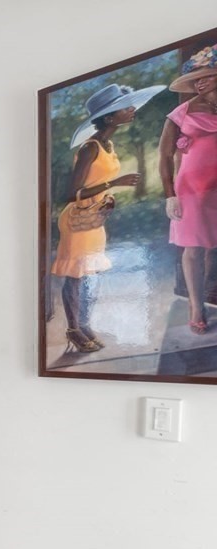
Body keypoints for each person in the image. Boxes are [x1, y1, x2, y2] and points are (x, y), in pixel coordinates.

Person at [53, 84, 164, 352]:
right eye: (126, 107)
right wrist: (115, 183)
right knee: (75, 276)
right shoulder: (91, 147)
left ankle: (83, 324)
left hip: (94, 219)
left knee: (89, 274)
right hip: (78, 220)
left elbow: (97, 182)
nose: (132, 110)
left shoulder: (108, 144)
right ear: (109, 116)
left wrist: (108, 193)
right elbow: (72, 193)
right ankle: (73, 329)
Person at [159, 45, 217, 334]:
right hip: (192, 190)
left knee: (210, 248)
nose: (201, 81)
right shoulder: (181, 113)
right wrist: (169, 194)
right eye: (197, 79)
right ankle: (196, 306)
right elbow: (164, 156)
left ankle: (206, 295)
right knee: (194, 248)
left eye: (208, 75)